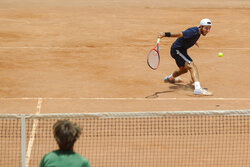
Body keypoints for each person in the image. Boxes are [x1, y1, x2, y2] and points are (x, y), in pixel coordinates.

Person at [158, 18, 213, 96]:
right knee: (192, 66)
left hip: (180, 50)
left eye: (209, 29)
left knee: (183, 70)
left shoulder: (198, 32)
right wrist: (165, 34)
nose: (207, 30)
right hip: (177, 50)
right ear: (201, 26)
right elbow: (180, 34)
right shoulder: (192, 32)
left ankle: (170, 78)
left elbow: (188, 37)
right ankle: (198, 89)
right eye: (206, 28)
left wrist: (194, 41)